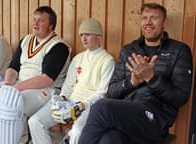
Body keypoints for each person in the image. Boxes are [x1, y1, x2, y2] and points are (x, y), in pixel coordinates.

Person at [79, 3, 193, 144]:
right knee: (108, 139)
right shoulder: (129, 50)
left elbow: (180, 98)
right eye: (144, 18)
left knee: (102, 107)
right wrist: (132, 82)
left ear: (165, 22)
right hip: (126, 115)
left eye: (154, 18)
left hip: (156, 120)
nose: (148, 22)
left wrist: (151, 78)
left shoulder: (179, 50)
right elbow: (112, 91)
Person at [0, 6, 71, 144]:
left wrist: (14, 89)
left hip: (46, 90)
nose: (35, 23)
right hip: (20, 84)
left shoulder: (59, 46)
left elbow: (46, 79)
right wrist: (8, 84)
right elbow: (13, 67)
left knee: (11, 101)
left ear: (51, 25)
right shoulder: (27, 40)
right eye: (34, 20)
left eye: (40, 21)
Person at [28, 18, 115, 144]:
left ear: (98, 36)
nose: (83, 38)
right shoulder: (78, 58)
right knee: (35, 121)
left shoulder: (107, 61)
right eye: (81, 35)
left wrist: (81, 106)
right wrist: (61, 99)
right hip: (69, 103)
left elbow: (102, 93)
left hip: (89, 106)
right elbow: (68, 84)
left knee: (77, 131)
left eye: (88, 34)